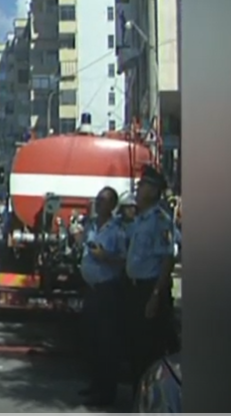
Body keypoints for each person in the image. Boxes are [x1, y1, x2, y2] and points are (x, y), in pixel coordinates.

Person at [124, 166, 179, 394]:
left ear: (155, 191)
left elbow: (168, 258)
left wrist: (155, 296)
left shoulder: (160, 220)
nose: (138, 189)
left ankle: (152, 400)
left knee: (150, 350)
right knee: (135, 347)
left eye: (143, 185)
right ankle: (139, 397)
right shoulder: (140, 220)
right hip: (135, 290)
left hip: (151, 291)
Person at [78, 186, 126, 407]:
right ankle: (95, 385)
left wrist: (104, 255)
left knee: (107, 343)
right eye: (97, 199)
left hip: (107, 290)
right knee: (93, 340)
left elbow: (123, 259)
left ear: (112, 205)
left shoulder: (117, 230)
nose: (98, 203)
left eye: (103, 200)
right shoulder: (92, 225)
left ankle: (107, 394)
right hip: (91, 289)